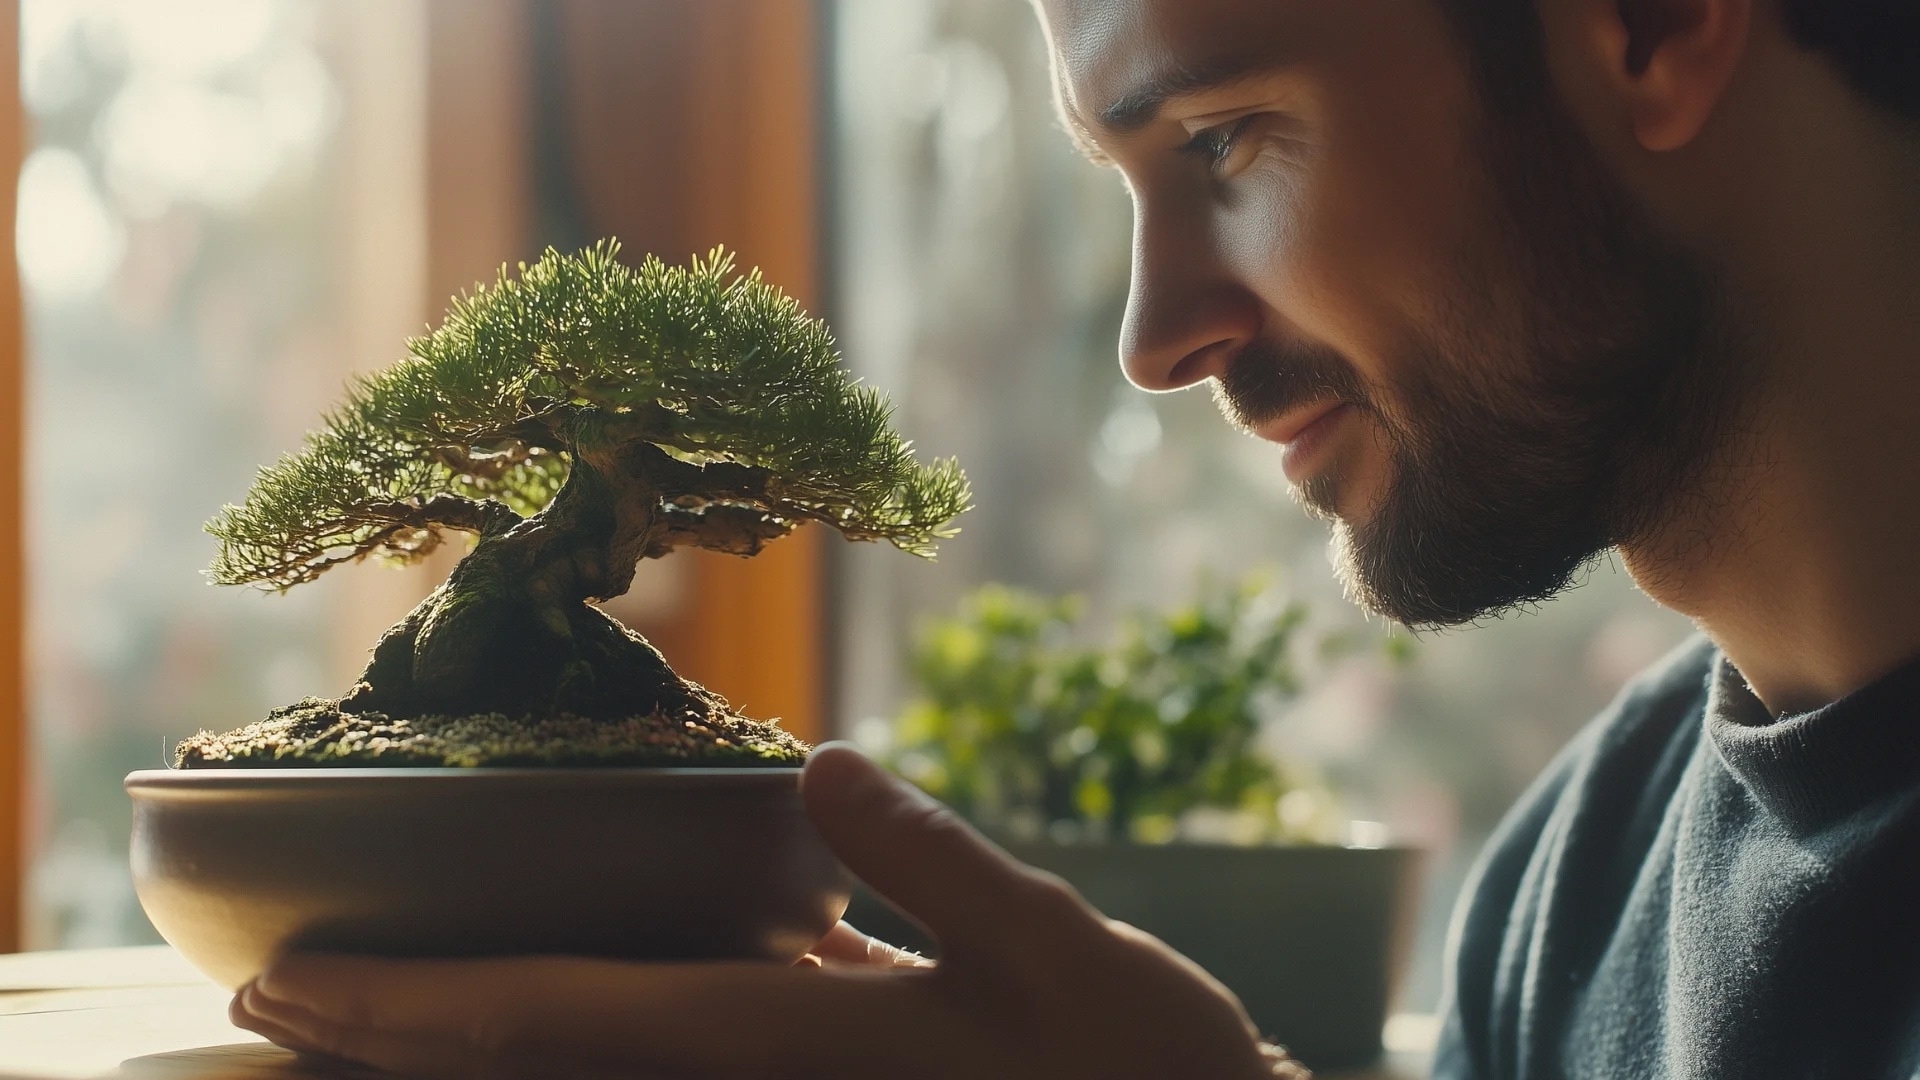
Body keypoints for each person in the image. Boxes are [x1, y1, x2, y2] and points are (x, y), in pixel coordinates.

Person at [230, 0, 1920, 1076]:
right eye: (1130, 184)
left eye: (1224, 138)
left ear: (1655, 22)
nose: (1156, 334)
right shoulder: (1574, 892)